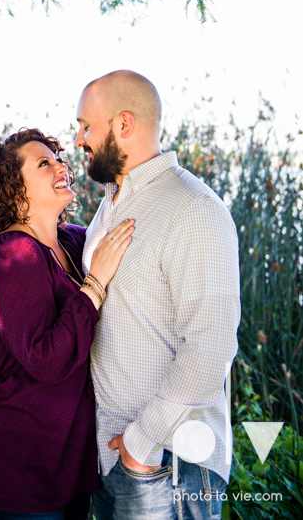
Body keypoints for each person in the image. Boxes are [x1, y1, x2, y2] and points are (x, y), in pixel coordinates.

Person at [0, 128, 135, 520]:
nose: (60, 166)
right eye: (43, 163)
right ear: (14, 190)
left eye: (57, 158)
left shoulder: (72, 245)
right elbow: (46, 360)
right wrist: (94, 286)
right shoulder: (13, 254)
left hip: (62, 465)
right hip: (10, 471)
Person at [75, 70, 241, 520]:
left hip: (168, 467)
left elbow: (211, 349)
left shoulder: (192, 208)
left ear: (123, 124)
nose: (78, 139)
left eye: (85, 125)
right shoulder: (110, 206)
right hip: (113, 462)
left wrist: (140, 444)